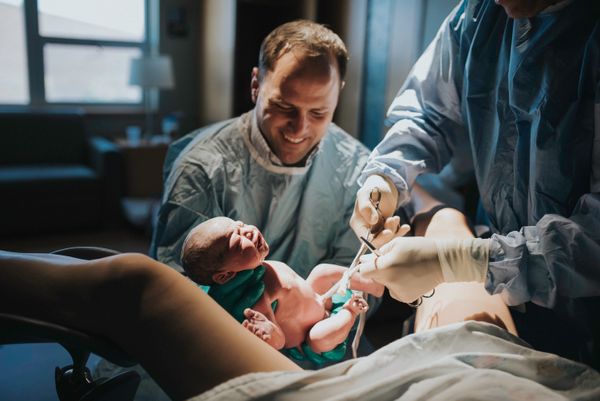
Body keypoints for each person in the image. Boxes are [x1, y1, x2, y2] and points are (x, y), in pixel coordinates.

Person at [350, 0, 600, 366]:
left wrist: (461, 261)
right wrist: (386, 174)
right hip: (497, 283)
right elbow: (427, 112)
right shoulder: (480, 14)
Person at [2, 248, 599, 401]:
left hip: (420, 379)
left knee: (134, 284)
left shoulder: (320, 316)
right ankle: (446, 216)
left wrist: (362, 287)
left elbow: (329, 322)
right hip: (499, 366)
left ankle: (446, 220)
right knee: (472, 309)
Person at [152, 20, 387, 279]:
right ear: (256, 85)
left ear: (337, 94)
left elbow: (358, 276)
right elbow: (178, 287)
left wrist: (309, 313)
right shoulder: (199, 169)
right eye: (284, 107)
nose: (299, 128)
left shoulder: (357, 171)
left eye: (318, 112)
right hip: (220, 319)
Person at [180, 217, 384, 362]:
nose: (248, 231)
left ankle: (375, 281)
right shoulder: (255, 299)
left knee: (322, 272)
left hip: (319, 299)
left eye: (239, 225)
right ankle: (350, 310)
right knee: (319, 339)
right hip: (314, 331)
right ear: (225, 275)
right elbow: (279, 342)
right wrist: (268, 333)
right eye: (237, 241)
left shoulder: (260, 267)